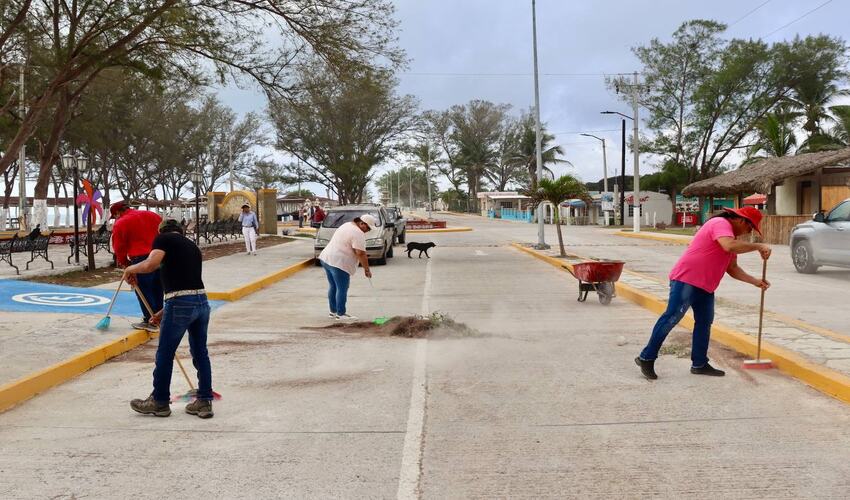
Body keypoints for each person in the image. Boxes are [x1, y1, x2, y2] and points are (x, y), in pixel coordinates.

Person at [635, 207, 771, 380]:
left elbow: (733, 268)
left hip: (705, 287)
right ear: (742, 220)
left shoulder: (732, 238)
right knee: (671, 317)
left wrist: (756, 281)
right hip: (686, 280)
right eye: (750, 228)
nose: (748, 233)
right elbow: (728, 246)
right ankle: (646, 357)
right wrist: (758, 246)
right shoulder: (720, 224)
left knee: (704, 323)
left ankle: (699, 363)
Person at [125, 219, 214, 419]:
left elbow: (151, 264)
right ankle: (204, 402)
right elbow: (188, 285)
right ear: (180, 231)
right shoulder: (192, 247)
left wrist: (130, 269)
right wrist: (163, 312)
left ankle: (159, 401)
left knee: (165, 353)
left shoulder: (163, 239)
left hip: (180, 304)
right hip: (201, 302)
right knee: (201, 353)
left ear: (162, 231)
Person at [111, 200, 163, 331]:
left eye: (115, 216)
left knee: (144, 290)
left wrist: (126, 265)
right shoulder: (152, 215)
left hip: (140, 258)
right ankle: (159, 317)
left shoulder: (121, 223)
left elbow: (119, 247)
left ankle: (150, 320)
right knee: (158, 287)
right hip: (159, 256)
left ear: (118, 213)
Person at [318, 214, 376, 320]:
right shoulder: (358, 233)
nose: (368, 230)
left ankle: (333, 311)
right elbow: (361, 253)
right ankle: (341, 314)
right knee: (342, 288)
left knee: (333, 286)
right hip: (339, 263)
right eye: (368, 228)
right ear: (362, 223)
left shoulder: (347, 225)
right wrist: (367, 269)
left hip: (326, 258)